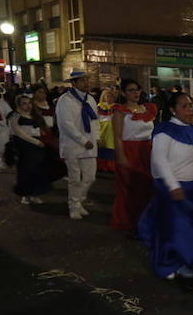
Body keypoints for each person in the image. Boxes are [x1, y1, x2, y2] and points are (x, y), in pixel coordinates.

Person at [138, 92, 193, 280]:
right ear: (172, 110)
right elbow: (159, 159)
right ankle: (170, 263)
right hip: (173, 188)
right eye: (183, 106)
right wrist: (173, 185)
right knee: (174, 229)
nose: (189, 109)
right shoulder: (164, 131)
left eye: (190, 105)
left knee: (192, 228)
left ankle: (185, 260)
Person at [111, 80, 158, 233]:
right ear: (123, 93)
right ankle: (130, 223)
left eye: (137, 90)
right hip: (129, 150)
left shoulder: (147, 109)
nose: (135, 93)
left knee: (146, 187)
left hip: (147, 151)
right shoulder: (120, 111)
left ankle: (145, 222)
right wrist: (121, 157)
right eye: (131, 90)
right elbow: (117, 136)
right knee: (130, 189)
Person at [55, 70, 99, 220]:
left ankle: (79, 201)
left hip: (90, 144)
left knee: (90, 177)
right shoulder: (65, 100)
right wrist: (82, 140)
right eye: (82, 80)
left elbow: (95, 120)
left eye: (87, 80)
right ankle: (73, 206)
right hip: (73, 144)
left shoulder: (91, 99)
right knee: (75, 178)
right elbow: (66, 124)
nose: (86, 83)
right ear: (73, 83)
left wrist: (96, 137)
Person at [8, 95, 52, 205]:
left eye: (29, 103)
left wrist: (41, 134)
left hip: (36, 146)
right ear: (18, 105)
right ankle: (25, 194)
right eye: (24, 103)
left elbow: (36, 129)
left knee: (36, 170)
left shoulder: (33, 115)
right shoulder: (14, 116)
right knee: (25, 171)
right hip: (24, 147)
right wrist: (36, 142)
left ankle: (34, 194)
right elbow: (19, 133)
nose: (27, 106)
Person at [96, 85, 120, 172]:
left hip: (113, 132)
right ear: (103, 97)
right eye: (107, 96)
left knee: (112, 149)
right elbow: (96, 121)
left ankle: (111, 166)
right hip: (102, 131)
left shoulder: (117, 107)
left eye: (111, 96)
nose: (109, 98)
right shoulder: (99, 107)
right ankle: (102, 166)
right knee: (103, 149)